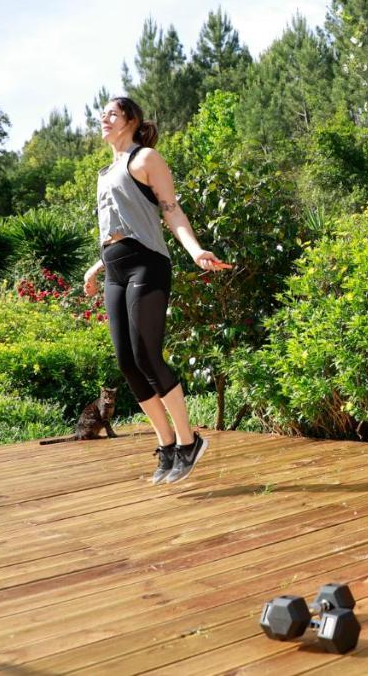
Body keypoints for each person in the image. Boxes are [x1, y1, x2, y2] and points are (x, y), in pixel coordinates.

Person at [83, 96, 232, 484]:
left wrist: (196, 251)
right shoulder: (105, 171)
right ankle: (167, 445)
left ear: (131, 120)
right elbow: (120, 227)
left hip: (147, 264)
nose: (105, 118)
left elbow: (170, 210)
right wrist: (97, 266)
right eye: (103, 114)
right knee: (127, 363)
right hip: (115, 268)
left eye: (112, 113)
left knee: (148, 355)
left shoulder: (145, 158)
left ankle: (189, 442)